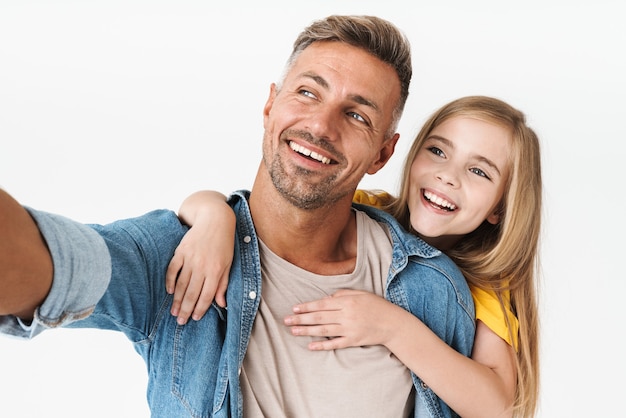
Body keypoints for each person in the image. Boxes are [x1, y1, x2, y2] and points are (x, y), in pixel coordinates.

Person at [0, 15, 475, 418]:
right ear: (270, 105)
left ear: (383, 153)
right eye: (309, 93)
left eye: (357, 116)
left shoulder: (429, 286)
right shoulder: (178, 256)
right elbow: (54, 267)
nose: (320, 125)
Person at [166, 96, 541, 417]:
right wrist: (215, 215)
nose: (448, 176)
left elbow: (498, 406)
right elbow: (254, 209)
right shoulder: (364, 210)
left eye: (478, 171)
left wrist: (391, 327)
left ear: (500, 208)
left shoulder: (486, 282)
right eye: (438, 151)